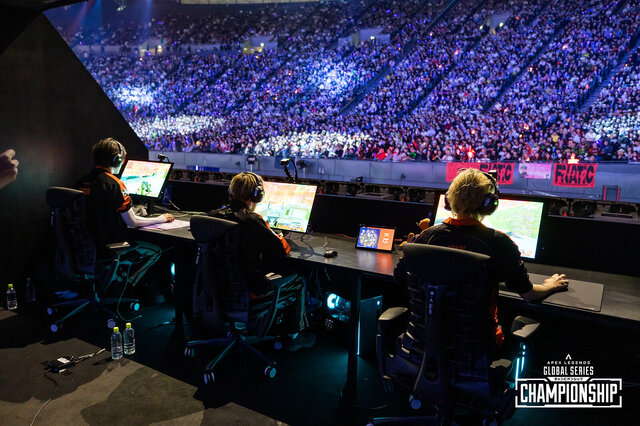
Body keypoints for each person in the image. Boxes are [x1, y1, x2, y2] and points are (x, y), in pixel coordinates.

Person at [395, 168, 569, 348]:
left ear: (449, 200)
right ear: (490, 204)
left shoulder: (425, 237)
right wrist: (550, 285)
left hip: (420, 346)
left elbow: (400, 275)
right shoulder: (500, 243)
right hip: (476, 350)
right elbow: (528, 295)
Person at [208, 171, 315, 351]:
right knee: (299, 279)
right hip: (248, 292)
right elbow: (282, 250)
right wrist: (278, 236)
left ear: (230, 192)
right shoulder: (252, 220)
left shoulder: (212, 216)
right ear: (257, 195)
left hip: (216, 288)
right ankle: (295, 336)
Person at [76, 138, 173, 288]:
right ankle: (124, 287)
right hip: (109, 248)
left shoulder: (81, 182)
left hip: (83, 248)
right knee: (155, 251)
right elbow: (132, 222)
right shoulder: (115, 184)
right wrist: (161, 218)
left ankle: (112, 283)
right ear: (117, 159)